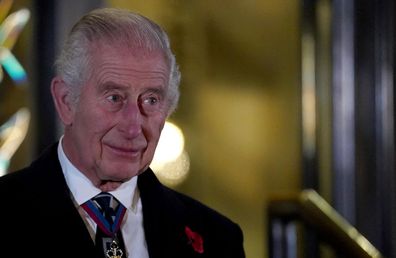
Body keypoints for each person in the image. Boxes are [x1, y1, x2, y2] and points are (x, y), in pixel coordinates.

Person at [0, 8, 245, 258]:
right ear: (65, 101)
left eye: (151, 100)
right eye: (114, 97)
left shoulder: (218, 238)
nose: (133, 127)